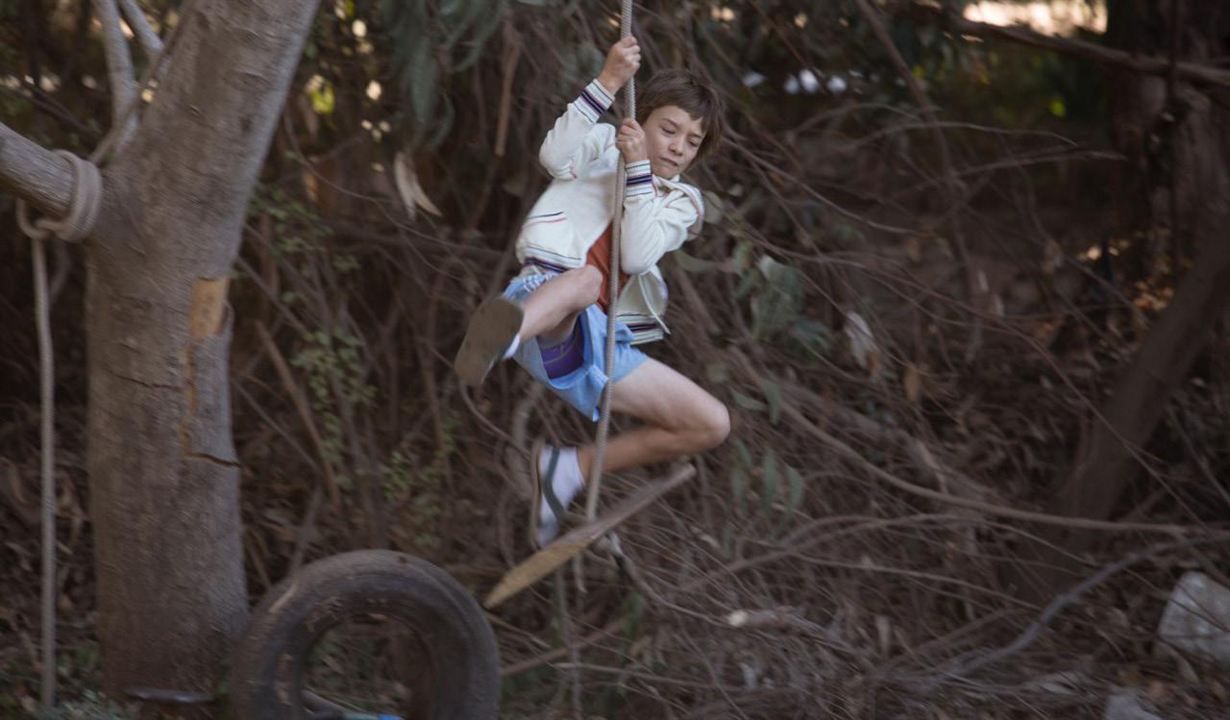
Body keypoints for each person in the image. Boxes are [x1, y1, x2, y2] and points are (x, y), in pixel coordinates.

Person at [453, 36, 730, 547]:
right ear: (640, 120)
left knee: (710, 423)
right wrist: (607, 83)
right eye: (668, 129)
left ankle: (567, 469)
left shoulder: (683, 201)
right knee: (585, 280)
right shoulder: (604, 144)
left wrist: (641, 171)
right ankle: (498, 341)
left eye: (692, 142)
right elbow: (552, 156)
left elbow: (638, 254)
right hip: (543, 299)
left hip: (597, 342)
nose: (677, 146)